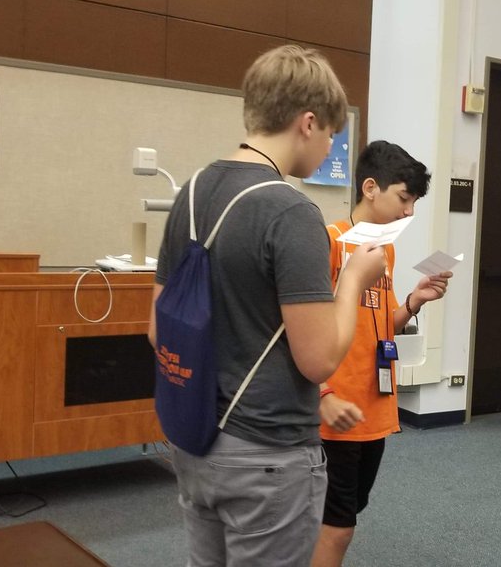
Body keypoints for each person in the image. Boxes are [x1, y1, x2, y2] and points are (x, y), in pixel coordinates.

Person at [150, 44, 387, 567]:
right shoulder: (290, 210)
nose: (329, 148)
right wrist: (351, 278)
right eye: (330, 133)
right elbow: (319, 359)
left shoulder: (191, 191)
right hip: (267, 453)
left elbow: (157, 329)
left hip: (193, 438)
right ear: (307, 123)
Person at [311, 140, 452, 567]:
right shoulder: (331, 241)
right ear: (370, 188)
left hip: (374, 408)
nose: (409, 212)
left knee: (347, 512)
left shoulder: (384, 249)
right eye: (404, 198)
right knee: (337, 526)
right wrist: (322, 394)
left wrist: (413, 302)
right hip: (335, 409)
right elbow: (302, 332)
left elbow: (377, 325)